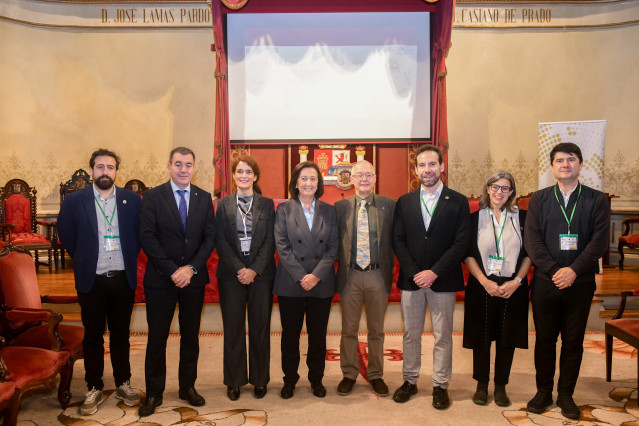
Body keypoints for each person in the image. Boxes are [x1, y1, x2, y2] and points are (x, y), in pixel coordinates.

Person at [524, 142, 610, 420]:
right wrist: (553, 271)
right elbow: (533, 241)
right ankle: (543, 392)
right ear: (552, 167)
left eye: (571, 159)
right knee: (545, 340)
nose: (565, 164)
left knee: (573, 342)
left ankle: (566, 395)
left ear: (580, 165)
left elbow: (599, 243)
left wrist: (573, 270)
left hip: (580, 281)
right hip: (546, 283)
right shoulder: (539, 199)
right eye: (559, 160)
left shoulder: (596, 200)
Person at [57, 148, 142, 415]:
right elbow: (66, 234)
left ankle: (123, 383)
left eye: (111, 167)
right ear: (92, 170)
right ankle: (93, 386)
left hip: (121, 279)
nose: (106, 172)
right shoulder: (74, 201)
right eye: (100, 167)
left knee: (121, 335)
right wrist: (83, 256)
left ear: (117, 171)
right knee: (92, 336)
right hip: (91, 279)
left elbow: (140, 235)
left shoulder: (132, 200)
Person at [138, 147, 216, 417]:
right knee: (157, 337)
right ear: (169, 166)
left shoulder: (203, 198)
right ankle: (153, 392)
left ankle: (187, 387)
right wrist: (174, 270)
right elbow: (147, 236)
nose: (184, 169)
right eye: (179, 164)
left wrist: (191, 268)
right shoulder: (153, 196)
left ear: (195, 168)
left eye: (189, 165)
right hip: (161, 279)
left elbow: (210, 238)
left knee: (191, 335)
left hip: (193, 280)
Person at [391, 144, 470, 408]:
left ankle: (440, 385)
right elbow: (398, 240)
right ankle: (410, 381)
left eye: (432, 164)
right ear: (415, 170)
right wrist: (416, 273)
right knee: (410, 334)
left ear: (442, 166)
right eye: (422, 165)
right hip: (411, 282)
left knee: (443, 335)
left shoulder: (457, 202)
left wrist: (434, 272)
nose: (427, 170)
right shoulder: (404, 201)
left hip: (443, 280)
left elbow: (461, 243)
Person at [463, 171, 532, 407]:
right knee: (481, 338)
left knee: (507, 337)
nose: (499, 192)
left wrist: (517, 281)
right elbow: (468, 254)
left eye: (505, 188)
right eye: (495, 187)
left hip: (513, 286)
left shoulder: (523, 218)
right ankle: (481, 385)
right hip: (483, 284)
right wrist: (484, 281)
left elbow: (529, 254)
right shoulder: (474, 219)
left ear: (512, 192)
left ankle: (501, 386)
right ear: (487, 189)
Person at [273, 161, 339, 400]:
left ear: (319, 183)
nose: (308, 183)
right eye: (304, 179)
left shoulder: (330, 211)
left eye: (313, 179)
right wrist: (302, 276)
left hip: (321, 283)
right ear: (296, 183)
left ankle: (316, 379)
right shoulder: (283, 210)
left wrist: (316, 275)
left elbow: (333, 248)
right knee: (290, 335)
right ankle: (289, 379)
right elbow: (282, 246)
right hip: (292, 282)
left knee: (318, 336)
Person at [215, 155, 276, 401]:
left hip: (261, 275)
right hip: (231, 275)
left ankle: (260, 380)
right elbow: (220, 240)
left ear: (255, 176)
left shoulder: (267, 204)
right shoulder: (224, 204)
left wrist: (254, 270)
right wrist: (240, 269)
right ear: (233, 175)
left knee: (260, 328)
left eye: (248, 172)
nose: (244, 176)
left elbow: (271, 240)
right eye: (239, 171)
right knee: (233, 329)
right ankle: (234, 380)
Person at [335, 160, 395, 397]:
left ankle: (376, 374)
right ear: (351, 179)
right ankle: (349, 374)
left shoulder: (389, 205)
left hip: (377, 275)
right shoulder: (340, 207)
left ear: (375, 178)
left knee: (376, 330)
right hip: (350, 275)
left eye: (368, 175)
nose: (363, 180)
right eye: (359, 175)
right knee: (348, 329)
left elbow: (397, 239)